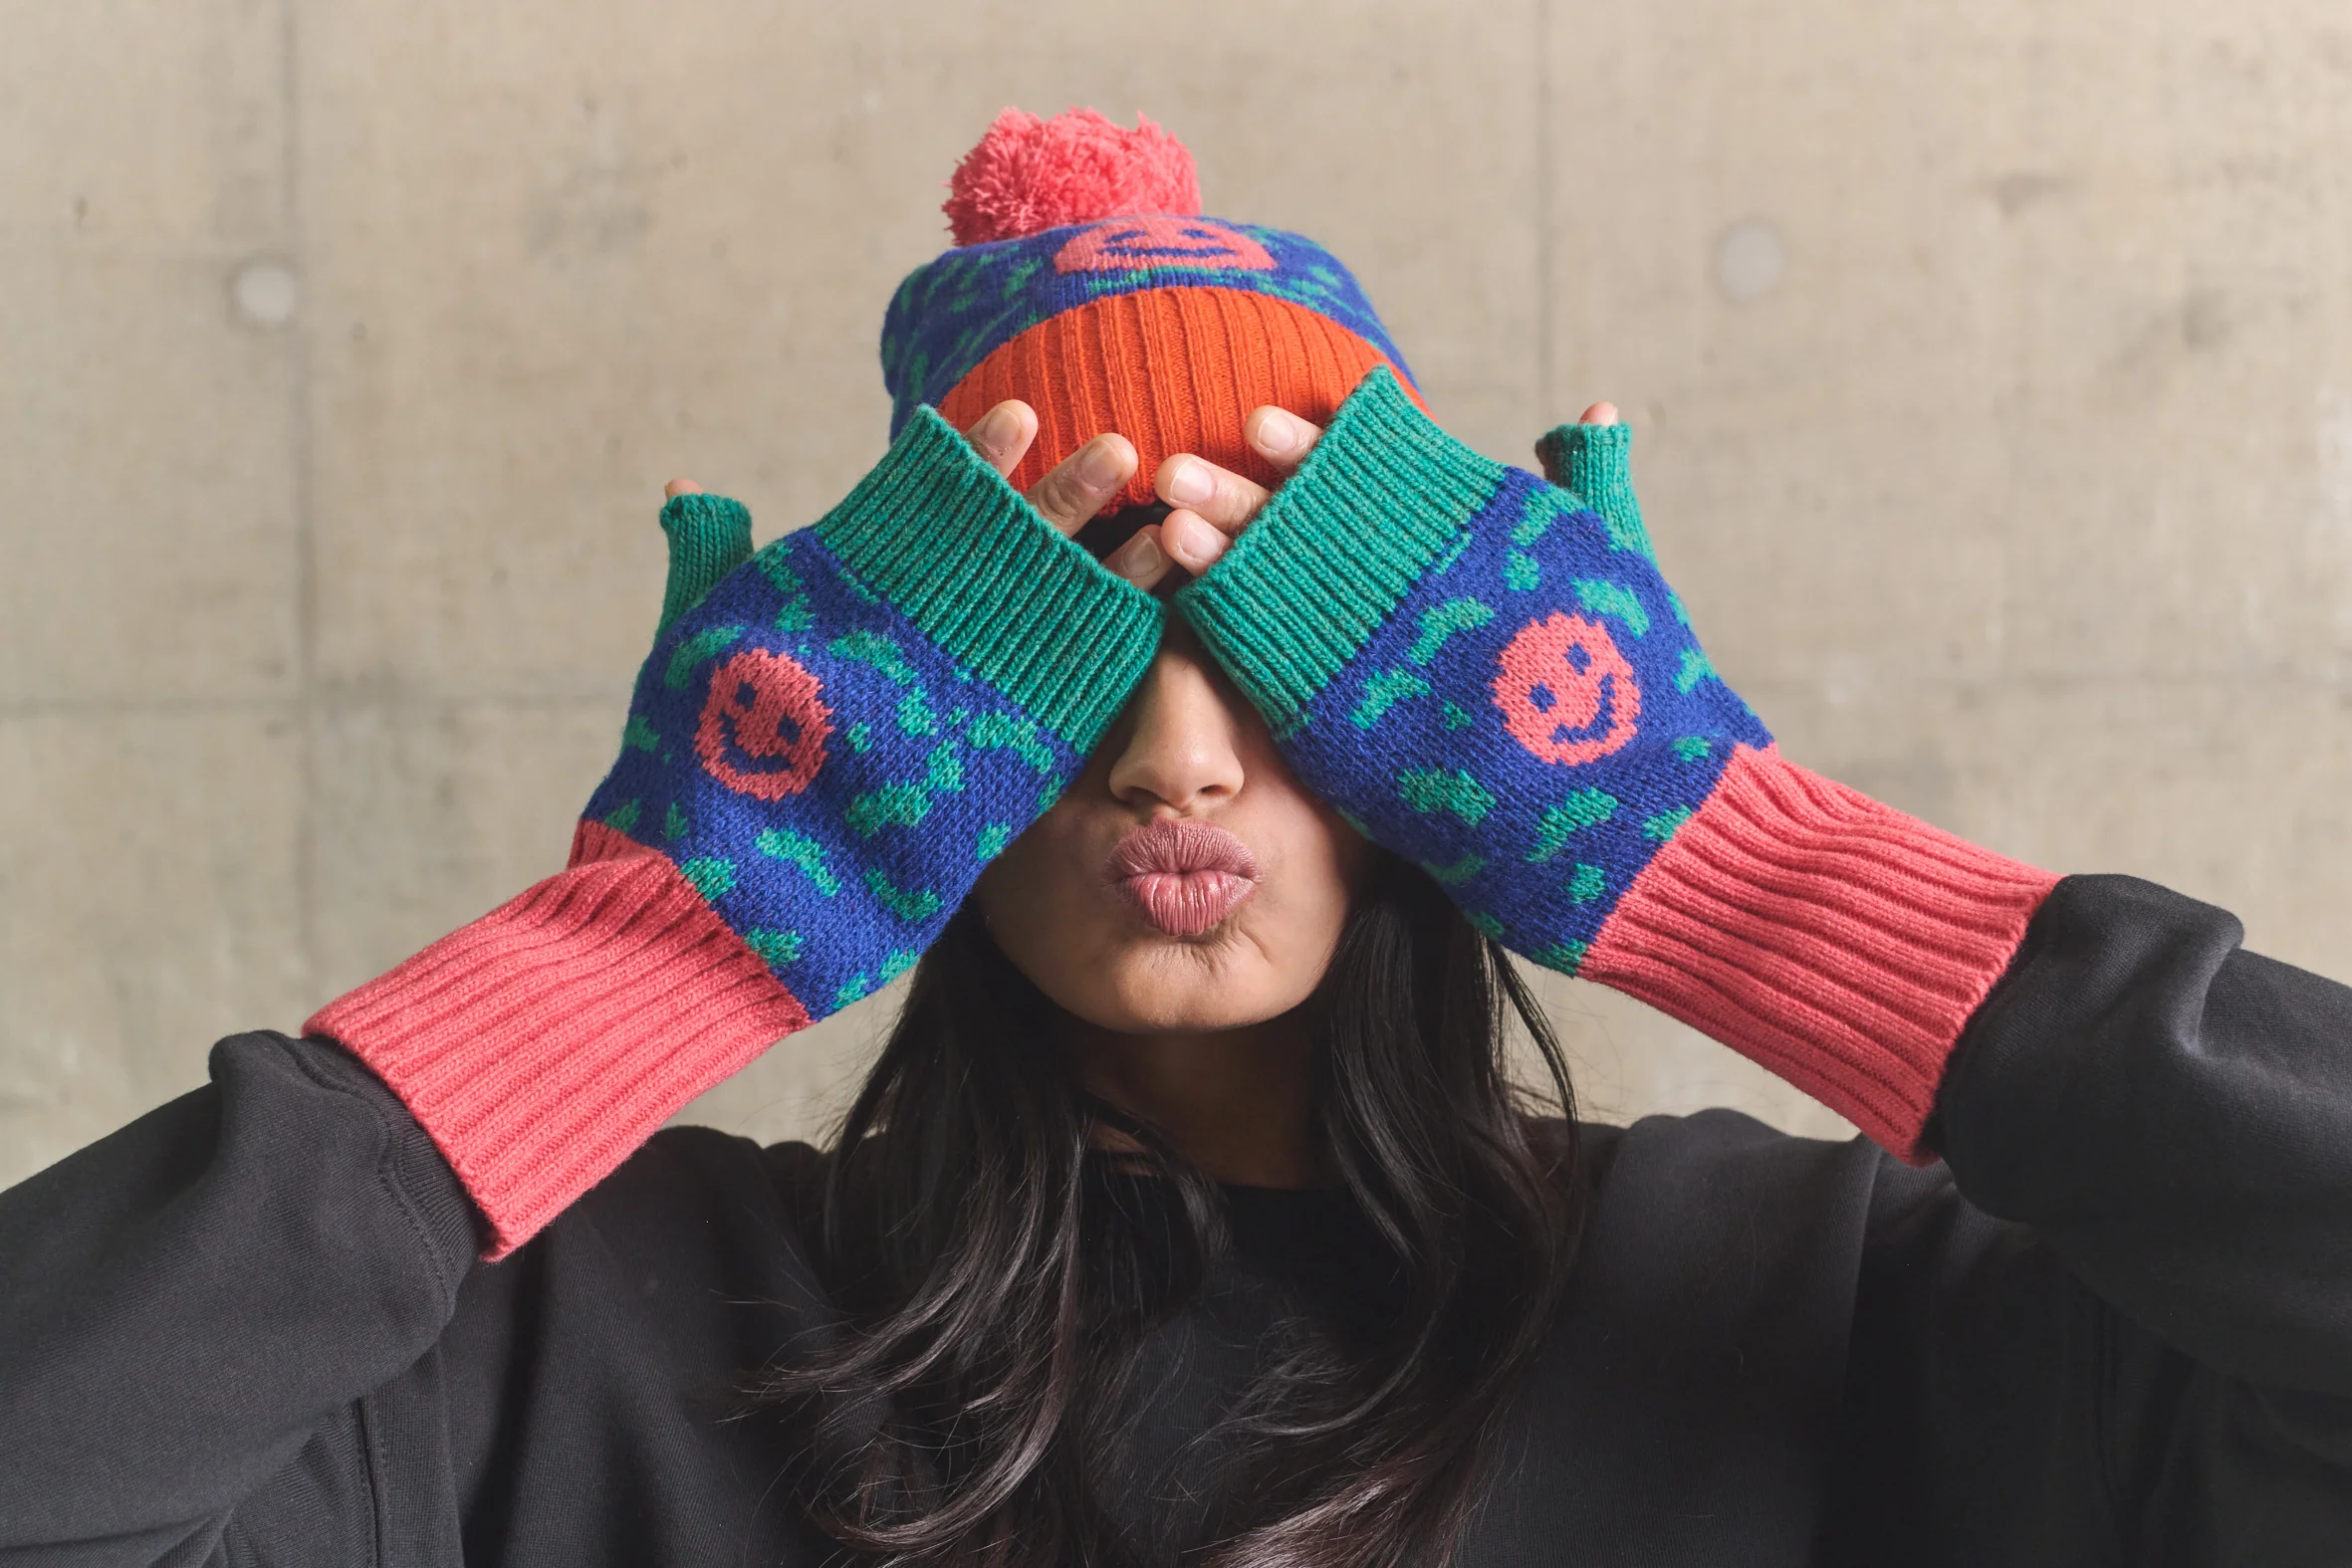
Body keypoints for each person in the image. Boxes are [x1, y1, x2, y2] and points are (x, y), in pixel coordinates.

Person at [3, 107, 2348, 1568]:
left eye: (1298, 647)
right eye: (1055, 648)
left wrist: (1729, 865)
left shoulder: (1809, 1301)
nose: (1178, 753)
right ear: (861, 726)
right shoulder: (582, 1346)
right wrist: (658, 943)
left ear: (1481, 734)